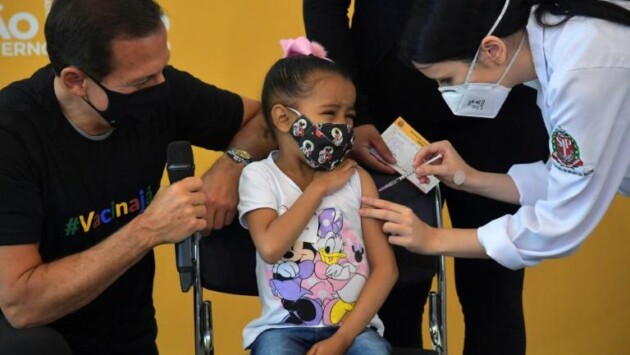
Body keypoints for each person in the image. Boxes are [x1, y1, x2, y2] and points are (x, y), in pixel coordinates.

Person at [0, 1, 274, 354]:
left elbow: (270, 119)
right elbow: (22, 305)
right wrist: (148, 229)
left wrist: (231, 166)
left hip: (130, 337)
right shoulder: (13, 135)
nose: (160, 85)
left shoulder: (161, 89)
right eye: (141, 81)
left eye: (163, 68)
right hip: (34, 339)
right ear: (76, 80)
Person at [303, 0, 549, 353]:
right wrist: (352, 114)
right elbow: (323, 7)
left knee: (494, 288)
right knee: (394, 287)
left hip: (500, 98)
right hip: (389, 112)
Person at [360, 0, 630, 270]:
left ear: (492, 49)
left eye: (448, 81)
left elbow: (560, 224)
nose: (446, 95)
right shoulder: (552, 46)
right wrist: (468, 178)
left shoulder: (582, 70)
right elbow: (560, 181)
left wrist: (432, 238)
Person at [237, 37, 398, 355]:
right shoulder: (258, 176)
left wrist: (343, 338)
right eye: (329, 113)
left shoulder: (356, 179)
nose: (343, 127)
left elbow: (386, 269)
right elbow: (270, 247)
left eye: (349, 116)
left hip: (352, 329)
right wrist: (319, 188)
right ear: (284, 119)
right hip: (281, 329)